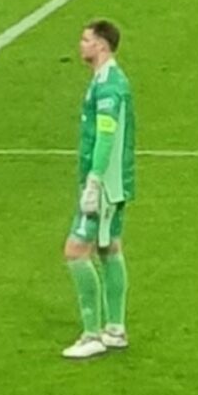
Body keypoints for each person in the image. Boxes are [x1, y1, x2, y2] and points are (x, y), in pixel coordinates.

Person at [61, 20, 136, 360]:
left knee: (76, 251)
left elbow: (106, 136)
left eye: (86, 40)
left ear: (102, 46)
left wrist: (93, 181)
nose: (80, 45)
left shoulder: (109, 87)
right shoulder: (107, 81)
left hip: (104, 184)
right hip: (114, 183)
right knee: (109, 248)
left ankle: (92, 334)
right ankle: (116, 329)